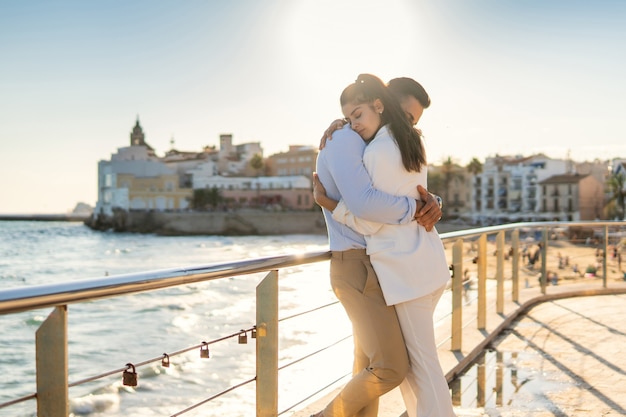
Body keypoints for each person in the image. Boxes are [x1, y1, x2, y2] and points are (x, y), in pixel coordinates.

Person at [313, 74, 455, 417]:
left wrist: (427, 204)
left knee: (395, 366)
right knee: (394, 366)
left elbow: (375, 209)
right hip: (372, 266)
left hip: (393, 270)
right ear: (384, 102)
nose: (409, 126)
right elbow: (372, 205)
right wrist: (418, 208)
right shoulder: (356, 140)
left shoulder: (381, 146)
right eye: (405, 116)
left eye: (413, 122)